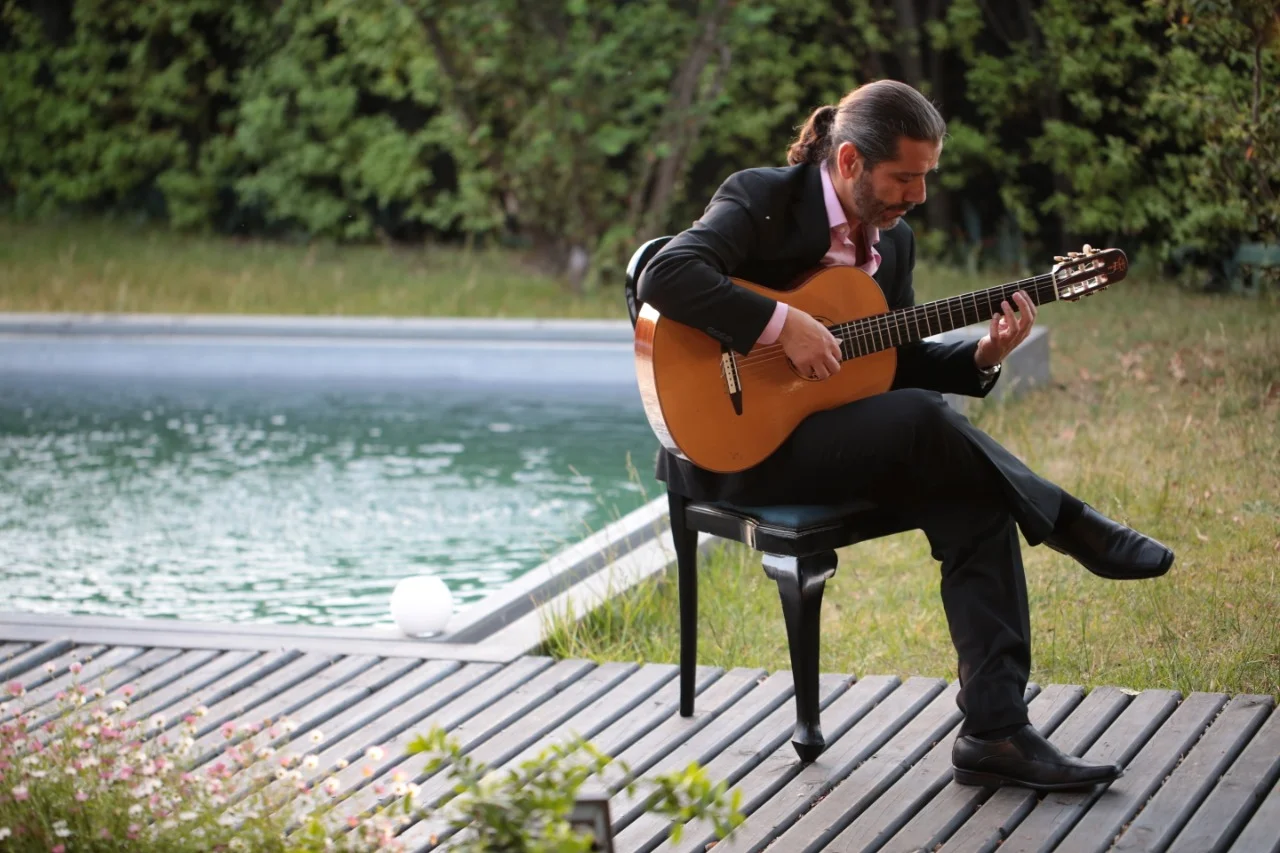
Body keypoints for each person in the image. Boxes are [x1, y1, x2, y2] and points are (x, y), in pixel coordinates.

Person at [636, 79, 1174, 792]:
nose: (917, 194)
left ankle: (996, 730)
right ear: (852, 161)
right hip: (740, 448)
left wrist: (982, 356)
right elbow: (666, 274)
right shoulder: (763, 198)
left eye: (926, 177)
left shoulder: (897, 241)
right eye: (904, 177)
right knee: (927, 422)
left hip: (843, 440)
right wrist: (782, 324)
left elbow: (895, 355)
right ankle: (1070, 523)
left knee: (971, 493)